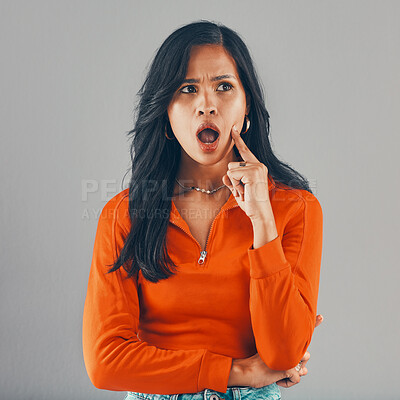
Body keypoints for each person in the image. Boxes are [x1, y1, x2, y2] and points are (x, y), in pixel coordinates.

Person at [82, 20, 324, 400]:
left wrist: (262, 219)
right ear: (166, 114)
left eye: (224, 87)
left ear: (247, 109)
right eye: (187, 88)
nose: (207, 104)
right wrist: (236, 370)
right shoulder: (123, 215)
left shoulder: (296, 208)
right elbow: (105, 362)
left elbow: (283, 353)